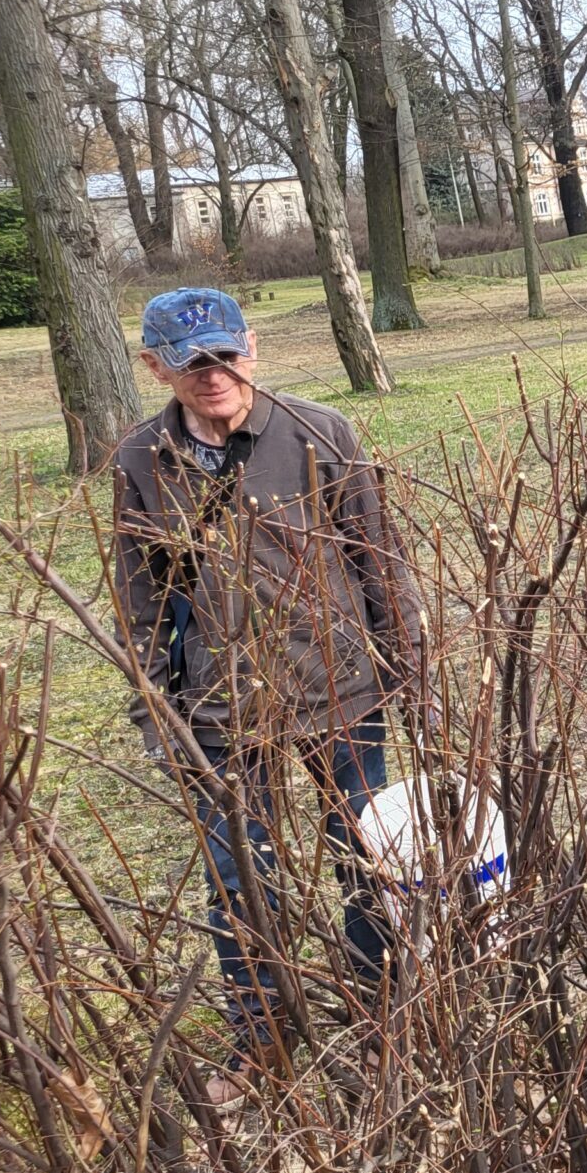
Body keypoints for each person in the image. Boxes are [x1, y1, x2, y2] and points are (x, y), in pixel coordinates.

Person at [111, 287, 426, 1104]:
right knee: (238, 877)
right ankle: (262, 1042)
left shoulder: (323, 430)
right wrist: (158, 712)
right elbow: (139, 598)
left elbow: (377, 560)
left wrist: (411, 673)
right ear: (155, 367)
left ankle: (382, 1025)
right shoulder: (142, 460)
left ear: (251, 347)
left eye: (224, 354)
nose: (213, 374)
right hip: (219, 707)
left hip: (341, 691)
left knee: (369, 862)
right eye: (190, 362)